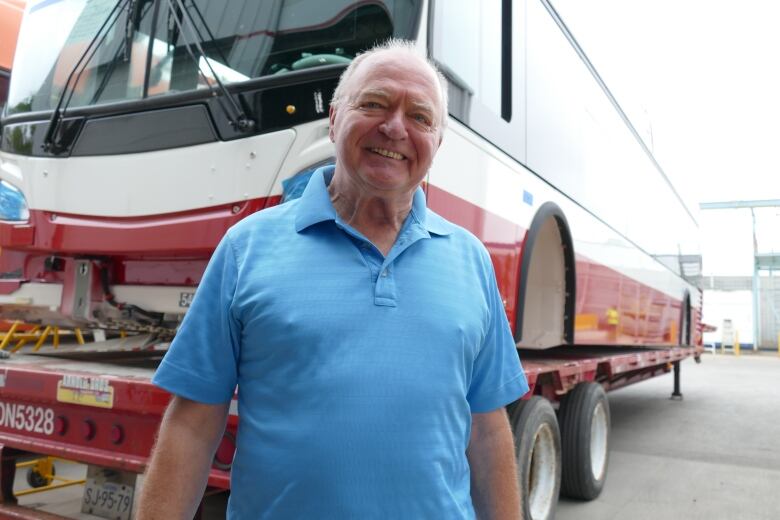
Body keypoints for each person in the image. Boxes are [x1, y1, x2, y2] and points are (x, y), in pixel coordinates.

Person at [138, 39, 529, 519]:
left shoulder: (470, 260)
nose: (395, 127)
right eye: (374, 103)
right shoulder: (247, 248)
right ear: (334, 117)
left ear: (437, 143)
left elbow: (487, 429)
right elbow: (193, 425)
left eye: (421, 117)